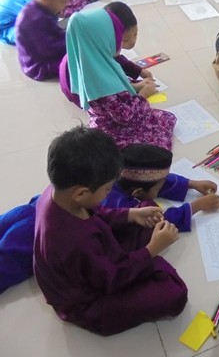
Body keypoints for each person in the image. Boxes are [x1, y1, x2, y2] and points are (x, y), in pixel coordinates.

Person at [0, 142, 219, 294]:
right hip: (33, 234)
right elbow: (157, 219)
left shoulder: (107, 173)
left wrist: (190, 184)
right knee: (7, 260)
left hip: (37, 207)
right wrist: (195, 206)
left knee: (6, 222)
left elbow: (156, 180)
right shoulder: (105, 202)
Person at [33, 126, 188, 335]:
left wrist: (130, 214)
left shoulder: (58, 192)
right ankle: (141, 264)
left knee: (147, 212)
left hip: (98, 258)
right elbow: (111, 278)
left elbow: (98, 212)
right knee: (174, 293)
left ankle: (139, 261)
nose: (109, 193)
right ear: (81, 193)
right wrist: (151, 250)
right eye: (107, 189)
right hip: (91, 302)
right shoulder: (76, 240)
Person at [64, 6, 176, 150]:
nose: (118, 44)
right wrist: (143, 94)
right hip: (113, 133)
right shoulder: (101, 83)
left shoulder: (93, 62)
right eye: (116, 39)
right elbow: (125, 117)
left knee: (165, 118)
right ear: (103, 41)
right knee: (161, 128)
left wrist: (135, 86)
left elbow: (117, 84)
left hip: (105, 120)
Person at [103, 143, 219, 232]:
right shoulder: (121, 207)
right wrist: (197, 206)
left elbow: (159, 181)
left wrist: (191, 184)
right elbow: (161, 221)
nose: (161, 188)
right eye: (157, 189)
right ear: (137, 193)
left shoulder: (124, 178)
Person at [59, 1, 156, 108]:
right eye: (124, 40)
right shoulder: (97, 80)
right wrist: (143, 95)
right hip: (87, 96)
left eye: (136, 33)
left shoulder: (92, 45)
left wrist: (138, 72)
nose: (132, 43)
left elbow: (116, 59)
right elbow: (124, 113)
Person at [15, 0, 76, 80]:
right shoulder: (33, 20)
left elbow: (55, 33)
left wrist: (71, 36)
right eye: (64, 1)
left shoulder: (42, 9)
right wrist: (73, 42)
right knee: (81, 58)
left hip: (46, 53)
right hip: (39, 67)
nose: (67, 4)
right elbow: (48, 50)